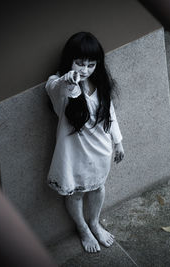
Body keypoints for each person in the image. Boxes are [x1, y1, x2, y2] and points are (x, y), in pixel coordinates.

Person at [45, 32, 124, 253]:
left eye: (90, 64)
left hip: (100, 150)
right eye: (80, 63)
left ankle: (94, 223)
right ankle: (83, 229)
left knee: (98, 187)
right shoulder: (59, 85)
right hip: (74, 153)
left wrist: (117, 141)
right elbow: (52, 88)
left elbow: (109, 112)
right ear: (70, 60)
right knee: (77, 193)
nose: (85, 69)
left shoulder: (99, 83)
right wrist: (67, 79)